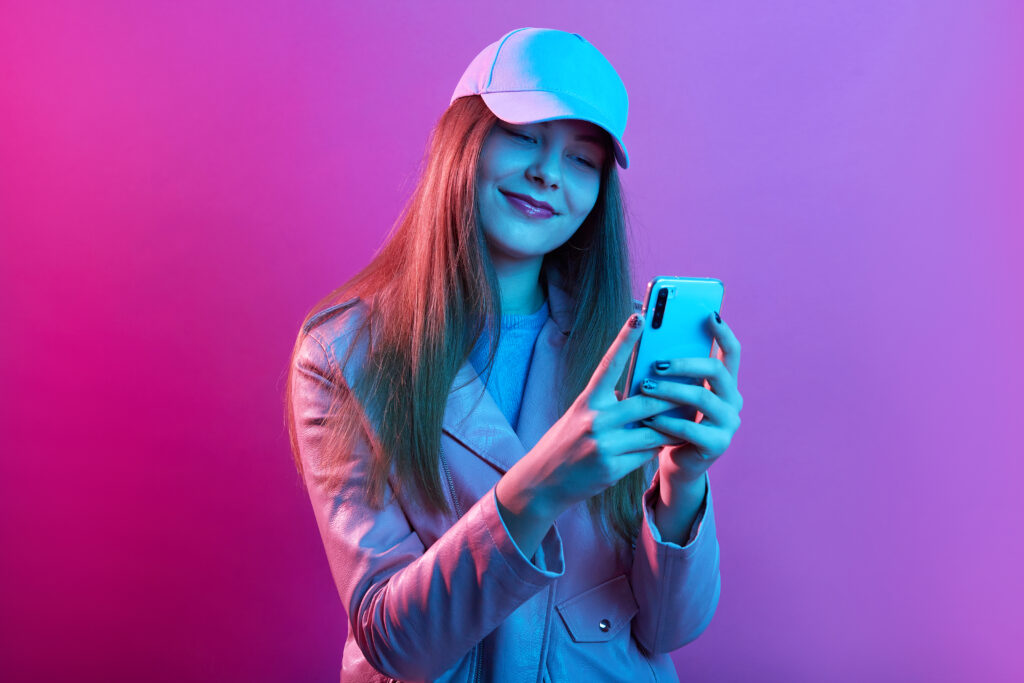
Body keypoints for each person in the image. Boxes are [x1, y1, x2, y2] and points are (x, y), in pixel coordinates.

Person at [285, 27, 744, 682]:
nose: (548, 174)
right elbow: (392, 641)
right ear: (462, 140)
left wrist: (683, 480)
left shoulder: (620, 350)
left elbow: (670, 627)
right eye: (525, 136)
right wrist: (545, 482)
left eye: (582, 160)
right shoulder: (343, 353)